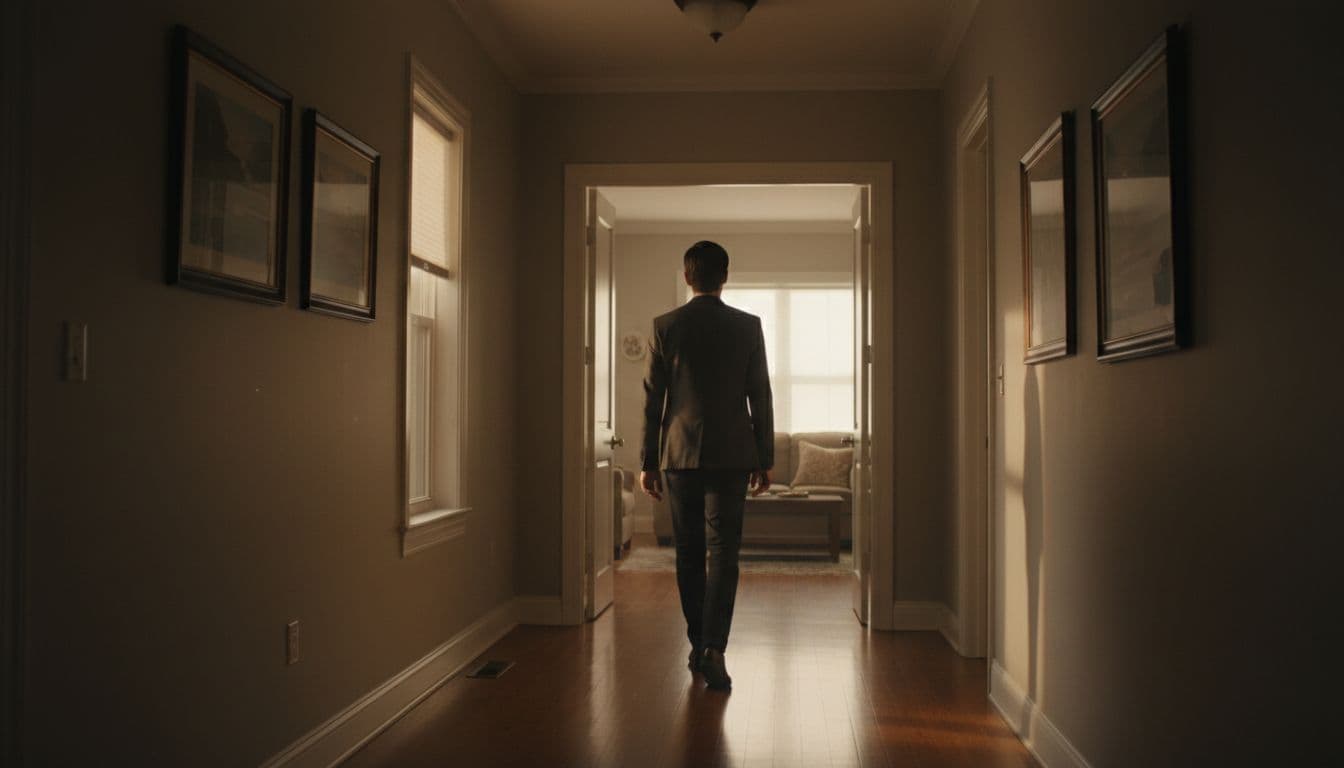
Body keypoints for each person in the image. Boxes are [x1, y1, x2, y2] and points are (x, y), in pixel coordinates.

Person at [639, 240, 774, 691]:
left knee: (689, 553)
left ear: (686, 277)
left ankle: (698, 644)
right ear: (725, 277)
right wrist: (764, 457)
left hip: (679, 455)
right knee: (725, 553)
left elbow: (654, 401)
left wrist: (647, 461)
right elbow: (761, 394)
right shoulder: (748, 326)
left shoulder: (666, 326)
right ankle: (715, 646)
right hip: (734, 455)